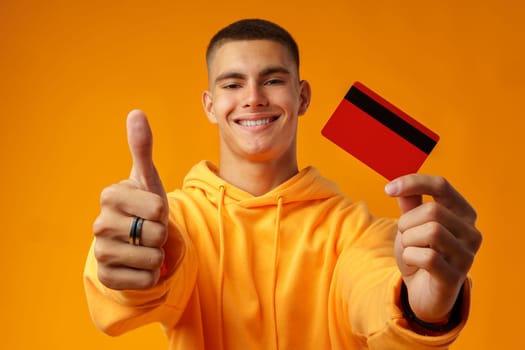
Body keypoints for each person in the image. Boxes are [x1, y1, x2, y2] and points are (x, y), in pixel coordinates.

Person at [83, 18, 482, 349]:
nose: (253, 98)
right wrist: (130, 266)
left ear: (302, 97)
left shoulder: (354, 232)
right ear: (210, 105)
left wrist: (421, 307)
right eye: (233, 84)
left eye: (272, 80)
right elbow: (126, 302)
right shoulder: (176, 222)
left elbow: (375, 291)